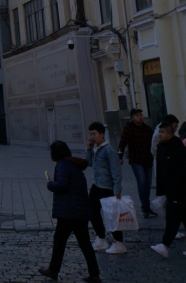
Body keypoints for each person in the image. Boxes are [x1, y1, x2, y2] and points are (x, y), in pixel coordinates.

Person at [38, 140, 101, 282]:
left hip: (68, 211)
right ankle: (94, 273)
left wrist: (50, 184)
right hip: (80, 211)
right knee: (85, 243)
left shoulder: (62, 165)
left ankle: (53, 270)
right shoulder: (73, 164)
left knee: (60, 240)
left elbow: (61, 185)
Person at [149, 120, 186, 259]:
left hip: (180, 189)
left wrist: (174, 179)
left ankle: (165, 246)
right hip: (170, 189)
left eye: (162, 132)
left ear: (170, 133)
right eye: (159, 132)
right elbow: (161, 169)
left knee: (172, 217)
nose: (159, 135)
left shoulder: (177, 146)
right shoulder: (161, 146)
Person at [86, 121, 125, 255]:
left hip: (107, 187)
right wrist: (89, 149)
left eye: (94, 134)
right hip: (96, 185)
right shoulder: (96, 149)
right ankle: (101, 238)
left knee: (111, 215)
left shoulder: (109, 151)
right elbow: (89, 164)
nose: (92, 136)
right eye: (91, 134)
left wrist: (117, 190)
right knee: (91, 211)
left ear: (102, 134)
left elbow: (116, 172)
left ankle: (119, 242)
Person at [118, 109, 155, 219]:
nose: (140, 117)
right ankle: (145, 208)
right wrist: (120, 156)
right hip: (136, 160)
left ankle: (147, 208)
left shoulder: (147, 129)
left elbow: (154, 142)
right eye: (137, 115)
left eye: (141, 115)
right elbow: (122, 143)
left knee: (148, 184)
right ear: (132, 117)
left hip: (148, 159)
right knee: (142, 182)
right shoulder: (129, 129)